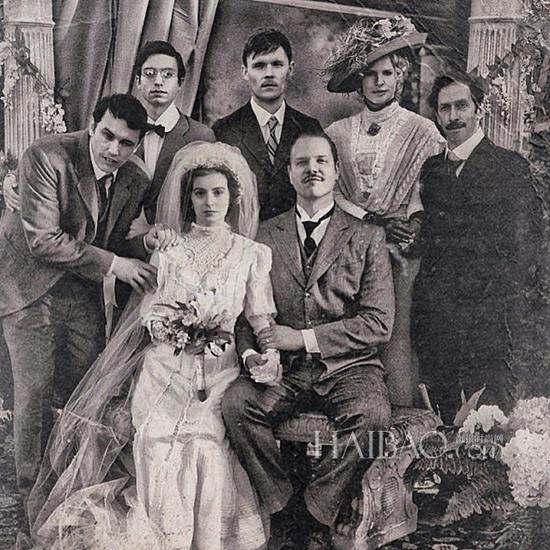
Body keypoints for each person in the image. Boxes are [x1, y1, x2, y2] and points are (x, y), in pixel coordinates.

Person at [27, 141, 276, 550]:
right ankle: (164, 538)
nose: (209, 203)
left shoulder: (252, 255)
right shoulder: (170, 249)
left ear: (233, 198)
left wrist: (269, 354)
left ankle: (204, 540)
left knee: (204, 443)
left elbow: (260, 317)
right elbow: (150, 312)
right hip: (164, 366)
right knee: (156, 439)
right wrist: (175, 330)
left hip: (219, 370)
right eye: (200, 193)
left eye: (218, 193)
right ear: (188, 198)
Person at [0, 94, 177, 510]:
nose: (114, 150)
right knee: (35, 391)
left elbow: (113, 242)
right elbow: (43, 241)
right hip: (28, 287)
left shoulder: (135, 177)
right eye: (107, 136)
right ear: (92, 125)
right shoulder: (47, 155)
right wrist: (116, 264)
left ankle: (74, 485)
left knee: (90, 386)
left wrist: (145, 242)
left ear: (138, 143)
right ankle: (32, 497)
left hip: (81, 292)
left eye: (127, 143)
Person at [223, 130, 395, 549]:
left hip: (349, 368)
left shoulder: (367, 236)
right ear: (289, 173)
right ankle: (282, 504)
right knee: (237, 404)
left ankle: (315, 512)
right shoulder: (264, 235)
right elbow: (243, 316)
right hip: (284, 371)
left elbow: (378, 323)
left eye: (321, 161)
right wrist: (250, 355)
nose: (312, 169)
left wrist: (301, 338)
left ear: (336, 172)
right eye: (302, 162)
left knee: (372, 417)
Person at [323, 16, 444, 407]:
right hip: (349, 245)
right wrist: (368, 220)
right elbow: (330, 190)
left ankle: (400, 419)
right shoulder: (337, 132)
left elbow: (430, 187)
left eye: (387, 73)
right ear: (359, 82)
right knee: (349, 328)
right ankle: (354, 409)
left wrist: (413, 222)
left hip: (401, 246)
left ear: (400, 76)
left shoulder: (423, 131)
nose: (378, 82)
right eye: (370, 74)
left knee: (395, 332)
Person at [413, 72, 543, 423]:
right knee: (442, 422)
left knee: (487, 425)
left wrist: (492, 302)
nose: (453, 116)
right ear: (436, 115)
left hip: (489, 322)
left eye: (462, 106)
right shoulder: (431, 170)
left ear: (478, 110)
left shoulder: (509, 168)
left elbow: (526, 249)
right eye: (445, 109)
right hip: (438, 319)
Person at [2, 40, 215, 225]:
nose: (158, 81)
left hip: (170, 241)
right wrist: (15, 178)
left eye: (168, 75)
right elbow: (72, 149)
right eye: (150, 74)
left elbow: (209, 196)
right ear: (138, 81)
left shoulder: (200, 137)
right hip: (111, 244)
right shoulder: (114, 122)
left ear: (180, 83)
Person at [213, 28, 323, 221]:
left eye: (277, 64)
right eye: (259, 66)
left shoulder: (310, 129)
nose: (269, 74)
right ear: (245, 72)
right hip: (241, 234)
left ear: (290, 69)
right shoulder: (224, 130)